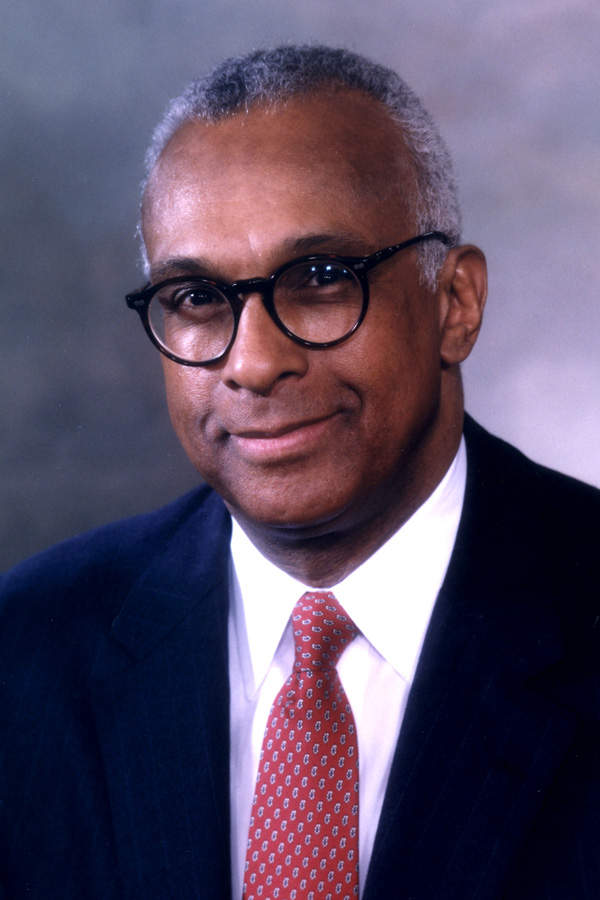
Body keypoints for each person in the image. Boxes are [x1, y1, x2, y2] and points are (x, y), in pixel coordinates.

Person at [0, 44, 598, 900]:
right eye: (197, 298)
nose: (252, 362)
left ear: (453, 305)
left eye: (321, 278)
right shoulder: (26, 654)